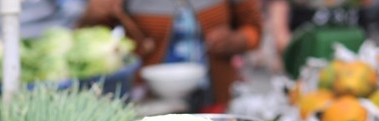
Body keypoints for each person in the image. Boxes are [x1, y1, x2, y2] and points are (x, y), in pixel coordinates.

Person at [76, 0, 263, 108]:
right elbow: (90, 40)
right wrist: (92, 15)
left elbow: (254, 29)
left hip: (217, 98)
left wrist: (238, 40)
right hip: (150, 103)